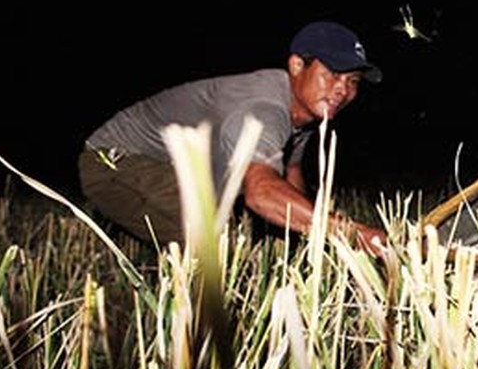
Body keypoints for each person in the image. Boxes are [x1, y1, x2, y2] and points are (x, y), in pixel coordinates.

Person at [78, 20, 389, 255]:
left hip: (181, 169)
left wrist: (312, 246)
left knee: (238, 234)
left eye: (353, 80)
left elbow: (291, 176)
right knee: (219, 238)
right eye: (333, 74)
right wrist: (356, 235)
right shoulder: (263, 108)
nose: (342, 90)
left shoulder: (304, 115)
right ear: (296, 65)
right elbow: (262, 193)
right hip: (113, 160)